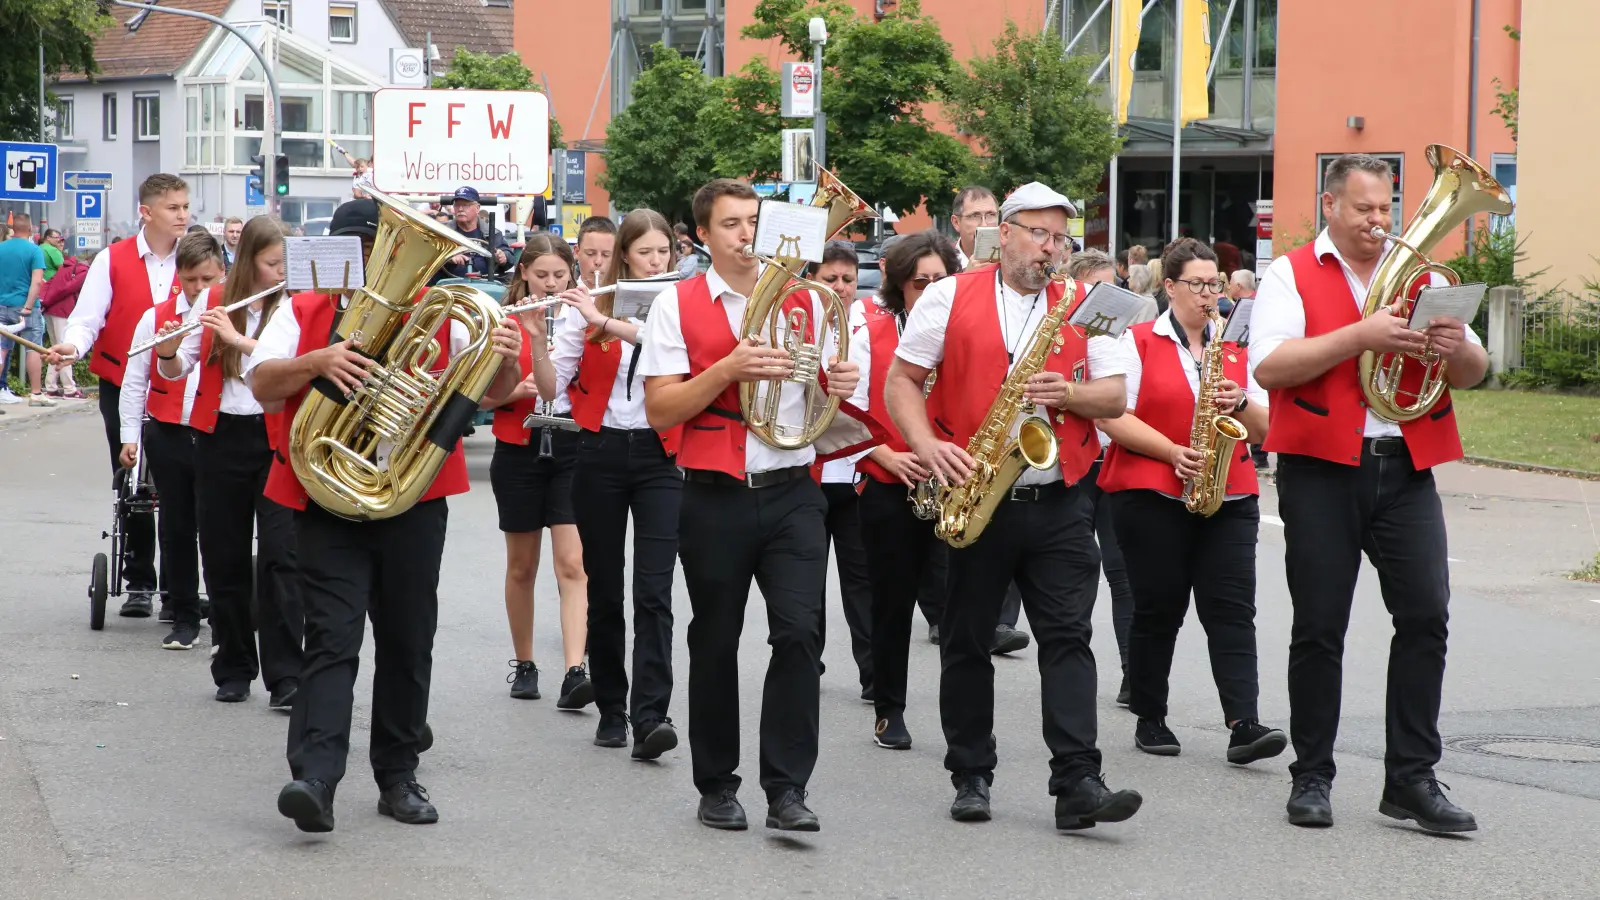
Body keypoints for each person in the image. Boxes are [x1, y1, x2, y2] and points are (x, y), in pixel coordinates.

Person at [248, 197, 525, 832]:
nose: (365, 263)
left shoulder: (442, 311)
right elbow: (260, 383)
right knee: (333, 638)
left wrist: (508, 355)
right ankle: (314, 778)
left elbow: (498, 392)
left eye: (376, 251)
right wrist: (317, 362)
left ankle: (398, 775)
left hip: (411, 496)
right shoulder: (303, 307)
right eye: (353, 251)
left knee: (407, 639)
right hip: (326, 494)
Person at [884, 181, 1144, 832]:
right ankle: (971, 773)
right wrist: (926, 446)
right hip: (978, 491)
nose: (1050, 248)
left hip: (1058, 495)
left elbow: (1113, 397)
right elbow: (902, 381)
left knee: (1069, 638)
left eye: (1060, 238)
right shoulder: (948, 296)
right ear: (1003, 231)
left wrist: (1072, 396)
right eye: (1038, 234)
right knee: (968, 640)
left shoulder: (1087, 302)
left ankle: (1079, 780)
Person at [1251, 153, 1486, 834]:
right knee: (1320, 628)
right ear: (1330, 206)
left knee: (1426, 616)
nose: (1379, 222)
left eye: (1386, 208)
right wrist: (1361, 334)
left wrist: (1453, 348)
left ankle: (1411, 778)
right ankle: (1313, 776)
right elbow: (1269, 364)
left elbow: (1473, 371)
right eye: (1364, 210)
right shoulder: (1289, 273)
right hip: (1323, 468)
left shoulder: (1426, 278)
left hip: (1407, 463)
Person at [638, 178, 863, 833]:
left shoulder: (805, 299)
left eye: (752, 223)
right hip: (713, 495)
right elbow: (661, 407)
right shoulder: (675, 305)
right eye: (730, 224)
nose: (744, 235)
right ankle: (717, 784)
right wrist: (727, 371)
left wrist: (836, 380)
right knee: (715, 640)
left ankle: (787, 788)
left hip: (793, 489)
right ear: (701, 236)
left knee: (800, 634)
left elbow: (816, 393)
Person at [1096, 237, 1286, 765]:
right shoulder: (1136, 340)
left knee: (1232, 609)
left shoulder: (1235, 348)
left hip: (1229, 490)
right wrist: (1172, 451)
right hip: (1150, 492)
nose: (1209, 296)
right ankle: (1151, 715)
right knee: (1159, 605)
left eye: (1215, 285)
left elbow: (1268, 427)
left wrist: (1241, 401)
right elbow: (1112, 415)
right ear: (1170, 287)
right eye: (1199, 284)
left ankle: (1243, 723)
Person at [549, 209, 683, 756]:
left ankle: (652, 714)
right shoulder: (590, 305)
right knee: (604, 588)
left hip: (659, 455)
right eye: (646, 253)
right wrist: (539, 339)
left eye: (664, 253)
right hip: (599, 450)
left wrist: (603, 323)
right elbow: (552, 384)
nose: (657, 262)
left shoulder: (681, 306)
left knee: (654, 590)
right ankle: (611, 705)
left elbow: (657, 342)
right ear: (624, 255)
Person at [152, 216, 301, 706]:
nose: (281, 271)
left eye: (284, 263)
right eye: (272, 263)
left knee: (282, 557)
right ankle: (234, 665)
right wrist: (170, 351)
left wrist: (240, 342)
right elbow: (176, 372)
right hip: (221, 437)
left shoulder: (297, 306)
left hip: (278, 437)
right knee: (224, 555)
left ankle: (286, 675)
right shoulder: (215, 301)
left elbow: (297, 362)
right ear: (249, 261)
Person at [49, 173, 190, 616]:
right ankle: (139, 581)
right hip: (120, 382)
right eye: (173, 208)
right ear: (146, 213)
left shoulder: (199, 256)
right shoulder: (113, 259)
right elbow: (88, 318)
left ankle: (179, 587)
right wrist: (72, 346)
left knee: (180, 484)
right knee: (133, 479)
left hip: (181, 384)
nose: (183, 215)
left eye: (186, 206)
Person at [855, 230, 959, 750]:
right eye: (922, 282)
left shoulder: (964, 331)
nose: (934, 290)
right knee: (892, 605)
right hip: (889, 483)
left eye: (942, 280)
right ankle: (888, 708)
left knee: (959, 609)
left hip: (957, 484)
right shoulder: (868, 332)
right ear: (899, 286)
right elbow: (845, 413)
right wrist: (886, 456)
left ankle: (961, 720)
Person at [483, 233, 592, 707]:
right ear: (523, 272)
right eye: (542, 275)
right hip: (517, 446)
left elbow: (566, 387)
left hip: (571, 443)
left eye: (560, 276)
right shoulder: (501, 318)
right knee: (522, 566)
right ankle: (524, 663)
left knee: (572, 563)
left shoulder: (581, 318)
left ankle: (575, 669)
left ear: (572, 275)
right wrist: (517, 390)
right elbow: (482, 398)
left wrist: (544, 345)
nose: (551, 284)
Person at [118, 230, 221, 649]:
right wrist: (130, 437)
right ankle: (182, 614)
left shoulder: (229, 315)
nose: (199, 288)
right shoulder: (156, 316)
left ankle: (222, 611)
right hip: (168, 431)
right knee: (176, 526)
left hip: (215, 431)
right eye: (192, 279)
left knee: (218, 527)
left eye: (208, 279)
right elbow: (134, 380)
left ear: (222, 274)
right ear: (179, 275)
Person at [1065, 249, 1140, 706]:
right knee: (1075, 571)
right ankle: (1073, 666)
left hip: (1116, 460)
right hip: (1075, 459)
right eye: (1098, 289)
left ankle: (1134, 672)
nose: (1109, 298)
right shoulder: (1065, 332)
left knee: (1124, 573)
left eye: (1115, 287)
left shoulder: (1129, 339)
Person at [806, 240, 874, 700]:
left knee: (863, 579)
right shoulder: (797, 324)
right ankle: (805, 665)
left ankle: (874, 673)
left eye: (848, 279)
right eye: (830, 279)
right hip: (808, 472)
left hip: (857, 471)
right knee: (807, 581)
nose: (841, 287)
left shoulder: (870, 326)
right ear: (812, 279)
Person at [0, 213, 50, 406]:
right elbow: (37, 281)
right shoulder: (34, 251)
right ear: (30, 230)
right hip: (25, 306)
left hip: (2, 305)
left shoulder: (1, 248)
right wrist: (28, 306)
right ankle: (36, 393)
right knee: (33, 348)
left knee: (2, 350)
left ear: (13, 230)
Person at [40, 251, 88, 398]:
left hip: (50, 310)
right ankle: (69, 388)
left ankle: (51, 386)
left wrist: (46, 302)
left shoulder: (64, 268)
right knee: (64, 348)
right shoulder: (84, 272)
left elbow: (50, 284)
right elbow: (70, 288)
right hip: (63, 311)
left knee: (55, 349)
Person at [437, 187, 509, 281]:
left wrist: (504, 257)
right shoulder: (442, 232)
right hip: (449, 284)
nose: (460, 209)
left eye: (465, 205)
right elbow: (430, 255)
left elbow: (508, 255)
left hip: (486, 285)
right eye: (457, 205)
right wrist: (448, 257)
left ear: (477, 208)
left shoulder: (493, 233)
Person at [948, 186, 999, 269]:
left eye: (991, 215)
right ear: (956, 222)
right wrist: (967, 275)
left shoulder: (1010, 260)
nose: (984, 225)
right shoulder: (942, 261)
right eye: (974, 216)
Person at [574, 216, 617, 289]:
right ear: (577, 252)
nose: (598, 261)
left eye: (606, 255)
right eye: (590, 253)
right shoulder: (564, 295)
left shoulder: (625, 297)